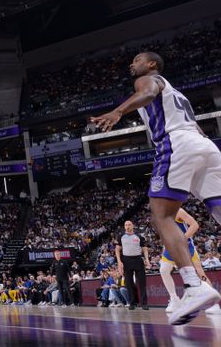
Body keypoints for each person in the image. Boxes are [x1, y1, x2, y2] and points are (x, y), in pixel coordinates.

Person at [91, 51, 221, 325]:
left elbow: (148, 92)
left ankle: (194, 286)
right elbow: (196, 127)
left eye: (137, 59)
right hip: (204, 145)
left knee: (162, 215)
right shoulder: (177, 94)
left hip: (176, 143)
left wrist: (118, 111)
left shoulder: (149, 80)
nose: (131, 64)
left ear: (151, 64)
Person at [159, 207, 221, 315]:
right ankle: (174, 300)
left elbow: (194, 225)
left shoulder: (178, 210)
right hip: (171, 247)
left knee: (199, 273)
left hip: (185, 247)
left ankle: (214, 305)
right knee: (163, 270)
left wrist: (182, 239)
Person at [114, 220, 150, 310]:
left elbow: (145, 249)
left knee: (142, 282)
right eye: (125, 225)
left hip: (138, 259)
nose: (127, 226)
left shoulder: (139, 236)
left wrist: (147, 260)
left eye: (129, 225)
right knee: (129, 283)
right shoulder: (121, 236)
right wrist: (119, 262)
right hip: (126, 260)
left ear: (133, 226)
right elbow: (117, 250)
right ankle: (132, 303)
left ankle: (144, 303)